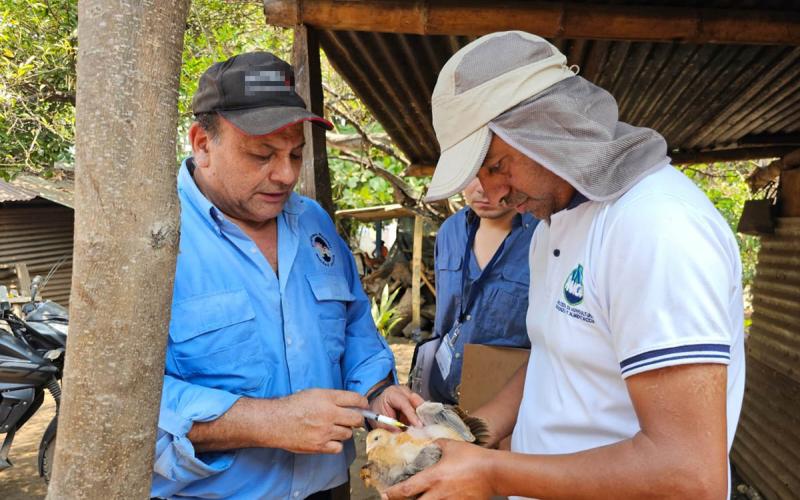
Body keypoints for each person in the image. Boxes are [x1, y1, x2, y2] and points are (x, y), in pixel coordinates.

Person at [387, 31, 745, 499]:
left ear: (548, 127)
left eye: (496, 166)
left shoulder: (655, 226)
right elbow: (555, 354)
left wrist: (492, 472)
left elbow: (689, 474)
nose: (492, 194)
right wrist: (471, 434)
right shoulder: (554, 220)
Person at [152, 52, 423, 500]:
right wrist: (264, 421)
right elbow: (118, 393)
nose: (286, 175)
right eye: (262, 154)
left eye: (295, 153)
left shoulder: (313, 222)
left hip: (328, 489)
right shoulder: (154, 237)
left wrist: (377, 394)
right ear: (202, 143)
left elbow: (355, 328)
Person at [424, 177, 537, 404]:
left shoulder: (543, 234)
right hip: (443, 396)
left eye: (493, 172)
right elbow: (443, 321)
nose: (483, 188)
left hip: (510, 406)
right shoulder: (449, 232)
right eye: (472, 174)